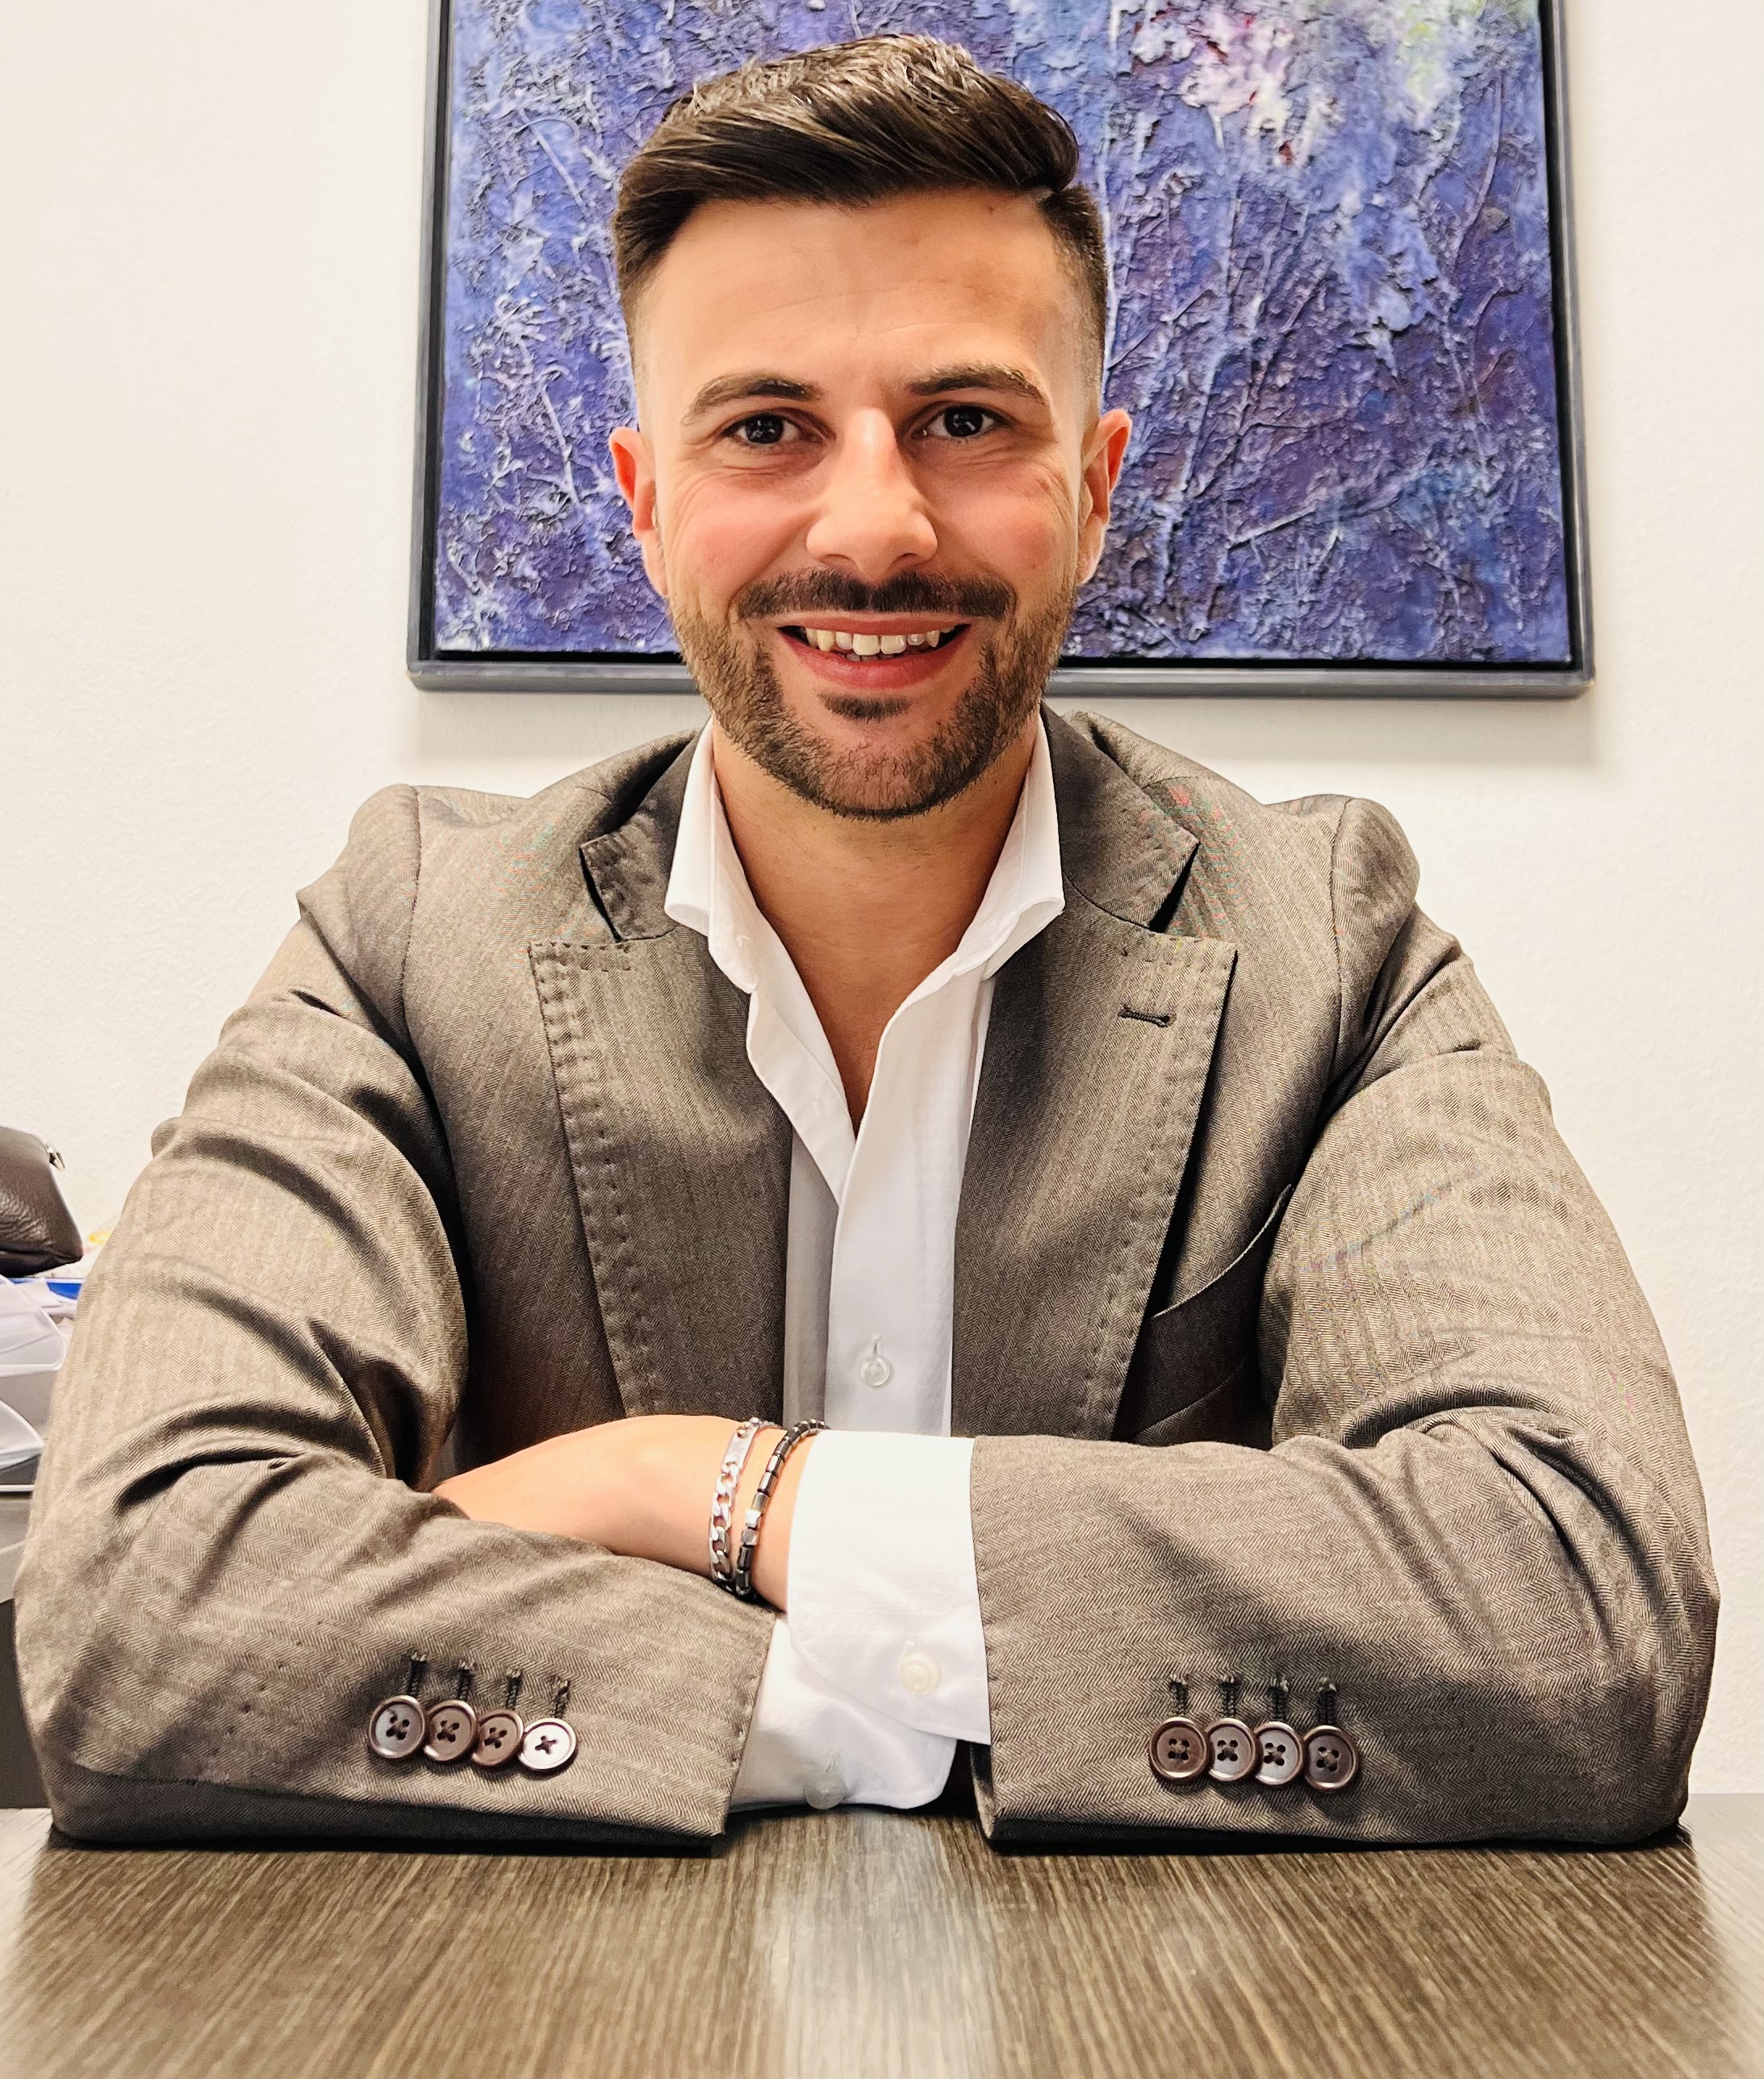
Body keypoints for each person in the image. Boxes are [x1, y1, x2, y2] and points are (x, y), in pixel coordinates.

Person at [17, 36, 1714, 1848]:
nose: (873, 525)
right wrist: (901, 1689)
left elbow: (1579, 1610)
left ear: (1095, 486)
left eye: (965, 420)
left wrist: (713, 1489)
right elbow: (137, 1605)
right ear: (642, 498)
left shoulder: (1331, 946)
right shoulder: (407, 941)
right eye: (765, 428)